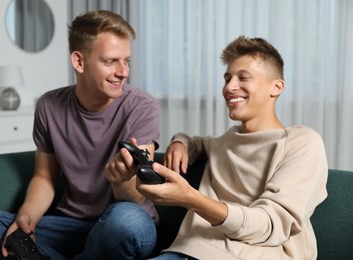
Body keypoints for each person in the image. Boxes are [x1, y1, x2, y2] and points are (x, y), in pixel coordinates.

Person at [0, 10, 159, 260]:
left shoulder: (142, 106)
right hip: (68, 227)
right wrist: (27, 216)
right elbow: (44, 177)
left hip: (121, 224)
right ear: (79, 61)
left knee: (129, 222)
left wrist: (121, 180)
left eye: (127, 61)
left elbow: (135, 198)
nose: (124, 72)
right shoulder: (49, 105)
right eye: (111, 61)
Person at [125, 36, 327, 259]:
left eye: (243, 78)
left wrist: (189, 198)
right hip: (186, 251)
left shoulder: (303, 143)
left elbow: (270, 225)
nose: (229, 88)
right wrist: (180, 142)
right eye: (227, 79)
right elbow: (197, 143)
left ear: (276, 87)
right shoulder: (224, 142)